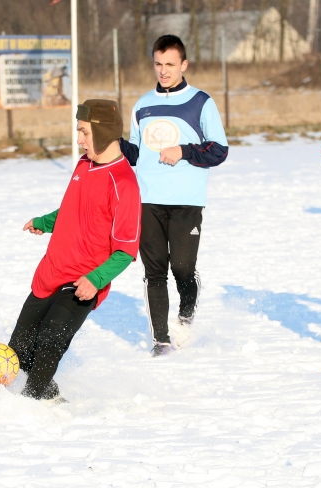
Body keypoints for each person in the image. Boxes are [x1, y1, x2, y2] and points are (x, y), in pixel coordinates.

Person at [9, 99, 141, 402]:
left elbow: (126, 250)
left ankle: (30, 405)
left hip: (83, 281)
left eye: (84, 132)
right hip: (52, 271)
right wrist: (45, 221)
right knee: (20, 349)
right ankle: (48, 393)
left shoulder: (124, 184)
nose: (79, 140)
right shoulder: (84, 165)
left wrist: (95, 280)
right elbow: (74, 209)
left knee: (50, 341)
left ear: (105, 132)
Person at [119, 35, 229, 356]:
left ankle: (186, 312)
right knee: (154, 272)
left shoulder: (200, 102)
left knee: (182, 267)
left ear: (184, 64)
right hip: (148, 200)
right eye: (158, 64)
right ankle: (161, 340)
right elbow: (137, 153)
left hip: (186, 200)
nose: (163, 71)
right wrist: (113, 143)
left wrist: (182, 150)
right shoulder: (142, 105)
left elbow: (218, 150)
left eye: (170, 64)